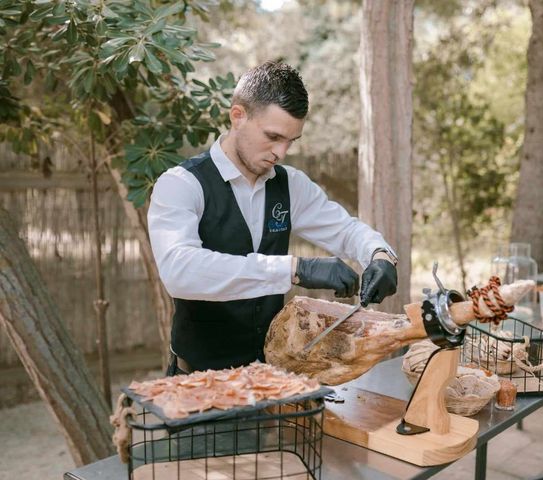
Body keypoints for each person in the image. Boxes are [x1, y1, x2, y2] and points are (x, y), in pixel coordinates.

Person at [148, 61, 398, 376]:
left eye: (291, 141)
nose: (281, 152)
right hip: (200, 386)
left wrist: (380, 255)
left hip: (274, 380)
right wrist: (296, 269)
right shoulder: (181, 184)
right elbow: (180, 271)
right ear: (238, 116)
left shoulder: (289, 184)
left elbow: (347, 231)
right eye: (273, 136)